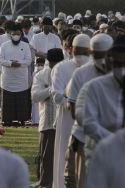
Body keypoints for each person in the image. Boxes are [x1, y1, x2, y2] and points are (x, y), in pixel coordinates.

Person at [78, 35, 125, 171]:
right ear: (110, 62)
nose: (122, 69)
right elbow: (89, 123)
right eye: (118, 64)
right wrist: (117, 141)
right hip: (101, 157)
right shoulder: (95, 87)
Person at [64, 33, 113, 188]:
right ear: (91, 53)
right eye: (97, 55)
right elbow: (74, 111)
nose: (101, 59)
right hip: (84, 139)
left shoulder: (121, 74)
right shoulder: (81, 73)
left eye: (104, 55)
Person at [31, 48, 64, 188]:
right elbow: (35, 96)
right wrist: (51, 90)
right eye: (52, 63)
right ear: (48, 62)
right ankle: (46, 184)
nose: (55, 66)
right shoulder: (41, 75)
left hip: (65, 122)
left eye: (58, 63)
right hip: (48, 123)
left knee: (64, 158)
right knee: (47, 158)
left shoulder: (67, 73)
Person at [50, 33, 78, 188]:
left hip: (88, 118)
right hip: (67, 117)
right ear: (68, 49)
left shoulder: (94, 68)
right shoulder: (61, 67)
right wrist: (75, 103)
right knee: (63, 154)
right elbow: (57, 96)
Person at [30, 17, 62, 126]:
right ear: (41, 26)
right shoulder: (36, 37)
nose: (47, 27)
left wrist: (48, 56)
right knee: (37, 91)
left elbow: (59, 52)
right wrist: (45, 55)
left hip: (53, 67)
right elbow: (33, 51)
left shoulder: (56, 38)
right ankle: (36, 119)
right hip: (39, 66)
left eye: (49, 25)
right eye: (45, 25)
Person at [0, 23, 32, 126]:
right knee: (8, 100)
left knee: (21, 100)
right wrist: (10, 63)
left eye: (18, 34)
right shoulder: (4, 46)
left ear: (21, 35)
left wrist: (19, 64)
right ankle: (7, 120)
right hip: (8, 78)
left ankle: (22, 120)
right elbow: (0, 59)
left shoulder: (26, 46)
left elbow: (29, 60)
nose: (16, 36)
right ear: (10, 35)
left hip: (21, 78)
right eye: (14, 34)